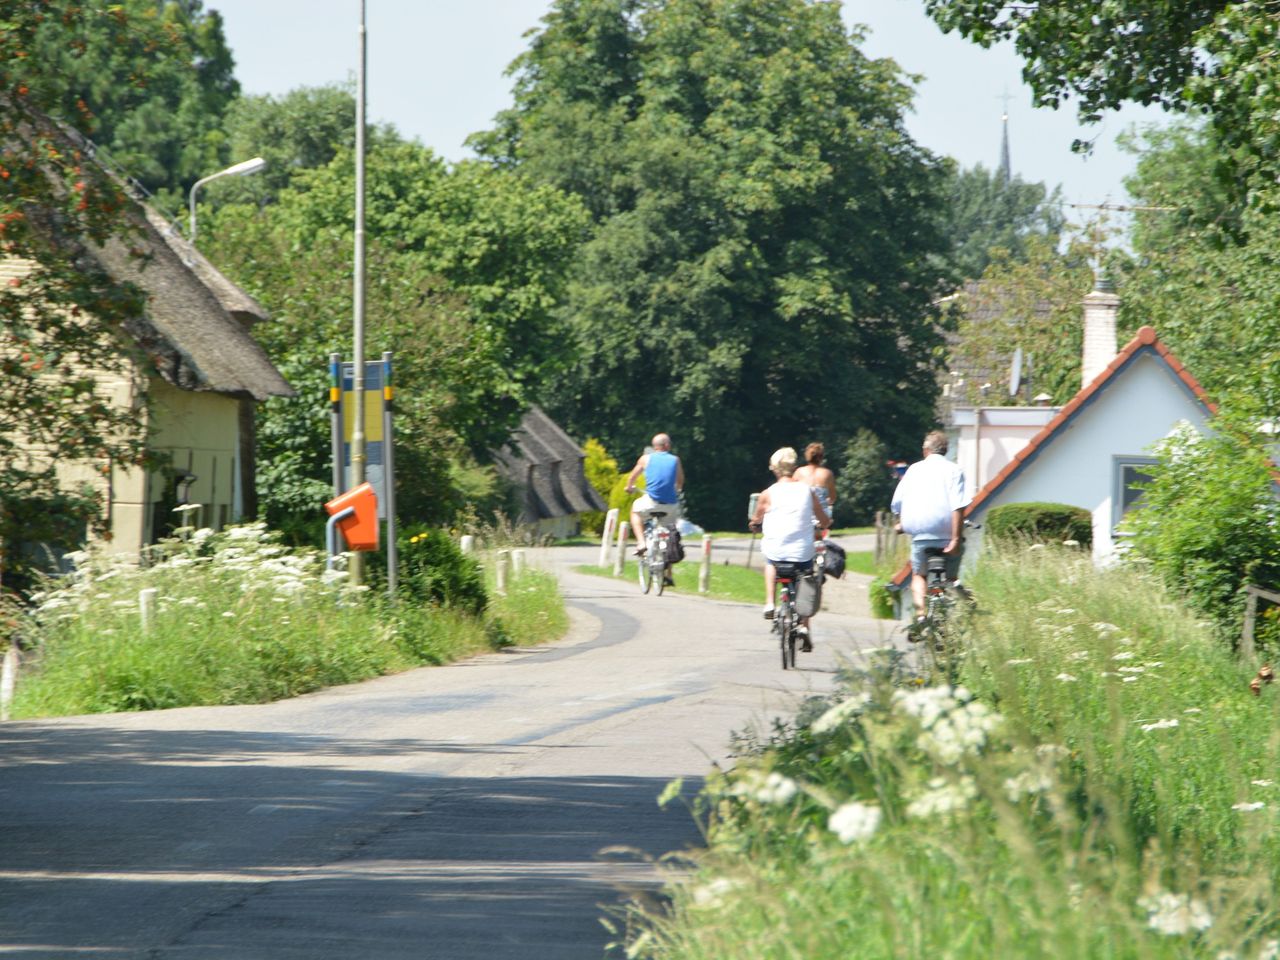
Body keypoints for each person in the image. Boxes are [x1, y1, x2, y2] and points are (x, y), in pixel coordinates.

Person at [749, 447, 831, 651]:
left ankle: (769, 602)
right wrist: (824, 523)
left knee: (770, 560)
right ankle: (804, 625)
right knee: (805, 577)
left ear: (774, 469)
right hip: (802, 552)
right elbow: (823, 519)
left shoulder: (768, 494)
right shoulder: (807, 491)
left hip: (777, 551)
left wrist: (754, 524)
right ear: (794, 467)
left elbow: (756, 519)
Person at [890, 429, 971, 626]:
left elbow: (896, 504)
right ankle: (961, 594)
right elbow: (958, 505)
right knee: (951, 576)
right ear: (945, 450)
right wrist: (955, 539)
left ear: (926, 450)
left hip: (921, 535)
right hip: (946, 533)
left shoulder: (913, 470)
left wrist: (902, 523)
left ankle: (920, 615)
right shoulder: (954, 470)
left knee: (919, 575)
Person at [625, 433, 685, 559]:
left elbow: (632, 477)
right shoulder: (675, 460)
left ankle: (641, 543)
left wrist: (629, 487)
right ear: (667, 445)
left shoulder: (645, 459)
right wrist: (677, 490)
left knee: (635, 511)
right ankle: (667, 573)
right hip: (670, 505)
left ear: (655, 447)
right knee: (669, 535)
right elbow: (680, 481)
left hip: (651, 502)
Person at [793, 442, 837, 533]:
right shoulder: (827, 474)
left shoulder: (799, 472)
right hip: (821, 519)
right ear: (821, 457)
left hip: (803, 516)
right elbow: (832, 498)